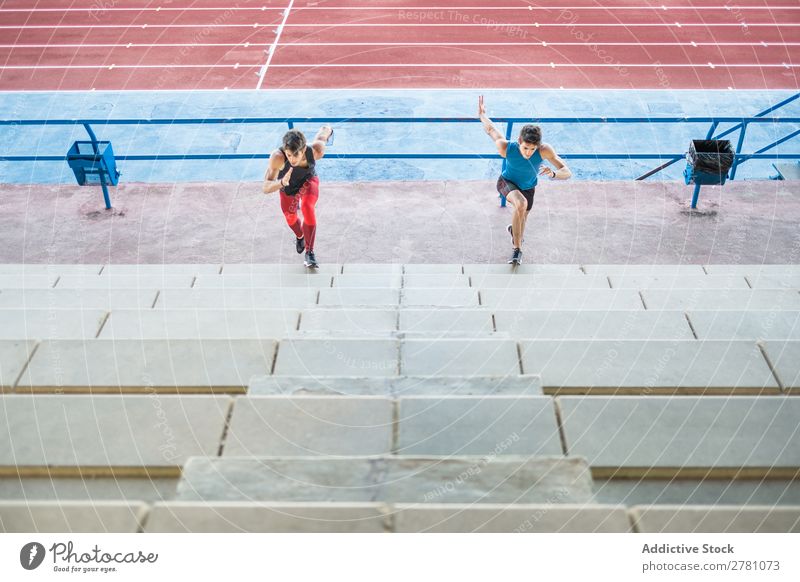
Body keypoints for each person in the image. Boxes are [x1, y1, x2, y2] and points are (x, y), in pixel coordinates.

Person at [478, 95, 571, 265]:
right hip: (506, 182)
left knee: (522, 219)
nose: (528, 152)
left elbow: (567, 172)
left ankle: (514, 231)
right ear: (519, 141)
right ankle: (517, 250)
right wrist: (482, 115)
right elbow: (491, 130)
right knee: (520, 205)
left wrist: (553, 174)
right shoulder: (507, 147)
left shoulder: (544, 150)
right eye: (525, 148)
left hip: (528, 188)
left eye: (532, 149)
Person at [263, 125, 333, 268]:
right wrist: (282, 182)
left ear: (303, 150)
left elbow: (322, 136)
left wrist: (328, 129)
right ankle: (300, 236)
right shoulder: (277, 157)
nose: (292, 159)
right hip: (287, 186)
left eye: (296, 155)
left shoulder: (315, 150)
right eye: (289, 155)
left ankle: (309, 253)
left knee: (307, 207)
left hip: (308, 181)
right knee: (290, 217)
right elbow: (265, 188)